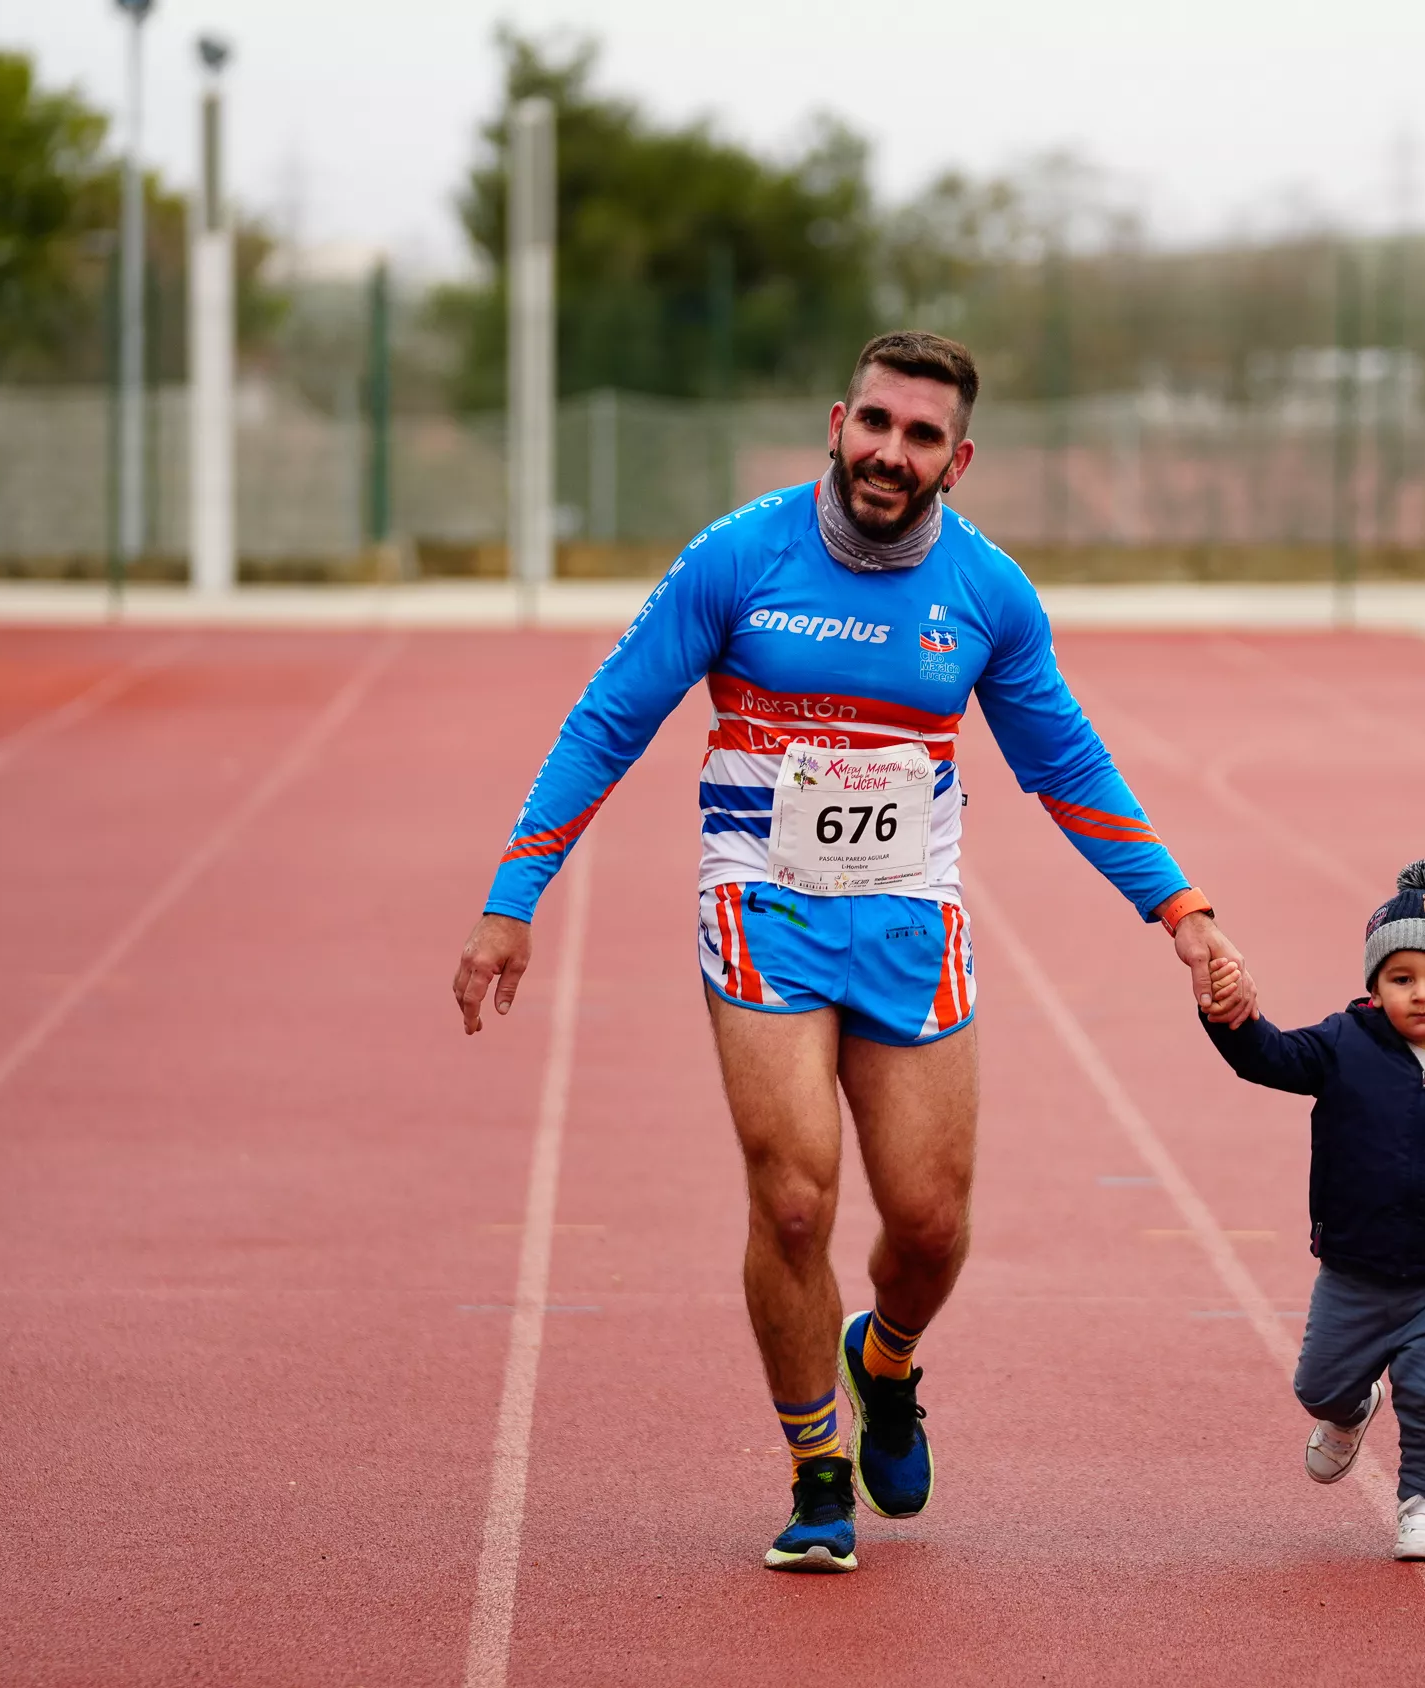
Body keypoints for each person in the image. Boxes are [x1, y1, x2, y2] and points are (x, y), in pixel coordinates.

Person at [450, 330, 1256, 1574]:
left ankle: (882, 1361)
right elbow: (612, 715)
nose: (891, 451)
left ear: (960, 458)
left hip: (908, 919)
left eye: (922, 435)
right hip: (760, 905)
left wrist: (1181, 910)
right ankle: (816, 1465)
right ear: (836, 421)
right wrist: (518, 889)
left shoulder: (990, 593)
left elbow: (1068, 765)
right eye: (875, 423)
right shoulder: (739, 556)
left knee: (929, 1223)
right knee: (793, 1193)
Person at [1197, 860, 1425, 1562]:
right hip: (1353, 1273)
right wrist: (1229, 1014)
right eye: (1402, 978)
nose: (1422, 994)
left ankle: (1423, 1504)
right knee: (1318, 1386)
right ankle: (1352, 1411)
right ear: (1375, 984)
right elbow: (1265, 1057)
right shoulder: (1343, 1045)